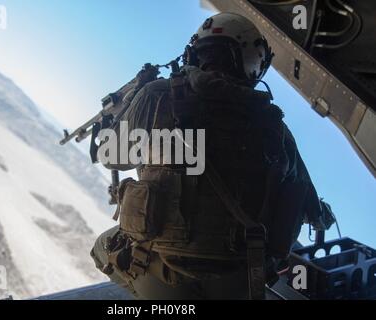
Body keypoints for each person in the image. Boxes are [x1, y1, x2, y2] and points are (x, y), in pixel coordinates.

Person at [90, 12, 334, 300]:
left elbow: (111, 157)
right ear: (253, 65)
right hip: (241, 278)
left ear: (193, 54)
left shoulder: (157, 94)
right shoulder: (275, 127)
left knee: (101, 248)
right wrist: (321, 217)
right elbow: (308, 204)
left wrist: (128, 104)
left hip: (160, 269)